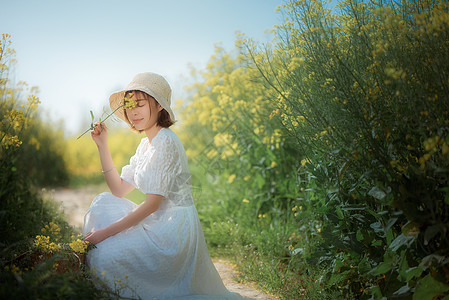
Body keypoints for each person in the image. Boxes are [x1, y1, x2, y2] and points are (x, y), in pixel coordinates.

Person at [83, 72, 242, 299]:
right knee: (102, 203)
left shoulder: (165, 141)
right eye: (129, 106)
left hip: (171, 234)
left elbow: (151, 206)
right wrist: (102, 145)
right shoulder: (146, 144)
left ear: (159, 105)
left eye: (140, 104)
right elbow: (118, 189)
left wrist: (103, 234)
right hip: (158, 223)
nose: (133, 112)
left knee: (103, 257)